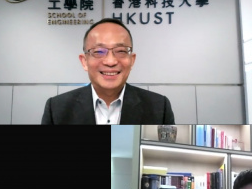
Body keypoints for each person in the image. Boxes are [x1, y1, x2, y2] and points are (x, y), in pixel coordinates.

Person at [41, 18, 175, 124]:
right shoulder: (57, 109)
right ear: (84, 61)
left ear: (132, 60)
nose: (110, 61)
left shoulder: (159, 108)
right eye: (99, 51)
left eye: (121, 51)